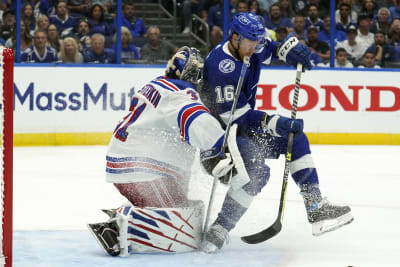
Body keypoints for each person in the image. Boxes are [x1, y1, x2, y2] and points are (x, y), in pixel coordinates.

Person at [199, 12, 354, 253]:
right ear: (235, 37)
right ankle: (220, 227)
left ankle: (315, 206)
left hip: (242, 129)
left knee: (296, 139)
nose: (256, 46)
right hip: (220, 138)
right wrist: (273, 122)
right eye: (251, 41)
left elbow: (271, 49)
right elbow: (235, 118)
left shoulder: (251, 45)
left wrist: (288, 51)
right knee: (256, 170)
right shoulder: (222, 66)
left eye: (258, 40)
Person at [87, 46, 249, 256]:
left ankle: (135, 212)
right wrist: (221, 142)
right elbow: (195, 118)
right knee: (183, 228)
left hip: (134, 164)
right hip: (143, 171)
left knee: (189, 209)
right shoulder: (181, 93)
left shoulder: (159, 85)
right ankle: (120, 225)